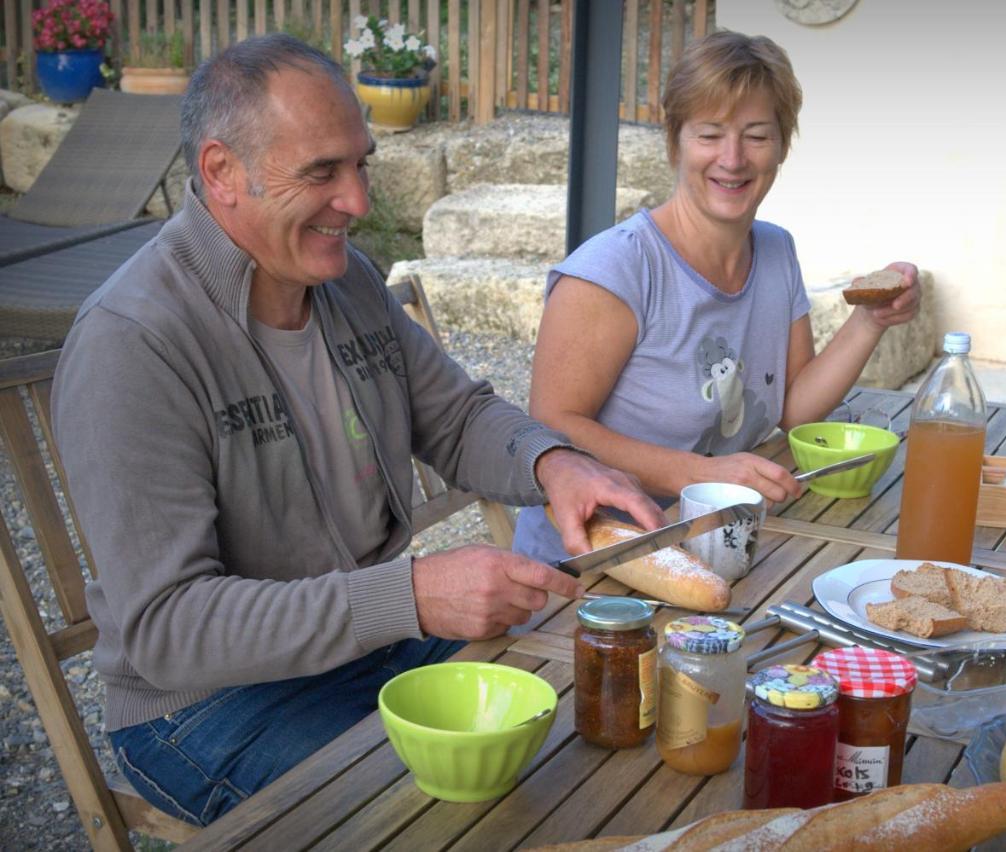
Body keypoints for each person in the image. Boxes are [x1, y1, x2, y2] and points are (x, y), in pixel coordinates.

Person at [50, 34, 664, 827]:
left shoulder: (348, 283)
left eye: (360, 164)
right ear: (220, 173)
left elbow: (459, 414)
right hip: (203, 708)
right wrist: (409, 593)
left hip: (359, 653)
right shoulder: (132, 341)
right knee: (464, 815)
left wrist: (555, 465)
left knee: (585, 717)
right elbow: (168, 629)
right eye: (321, 172)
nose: (360, 202)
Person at [513, 31, 920, 563]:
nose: (732, 159)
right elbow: (554, 427)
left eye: (756, 135)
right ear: (675, 141)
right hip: (593, 556)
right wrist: (702, 473)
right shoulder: (616, 269)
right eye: (709, 134)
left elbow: (796, 409)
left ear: (782, 146)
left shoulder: (775, 250)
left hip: (716, 543)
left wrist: (869, 322)